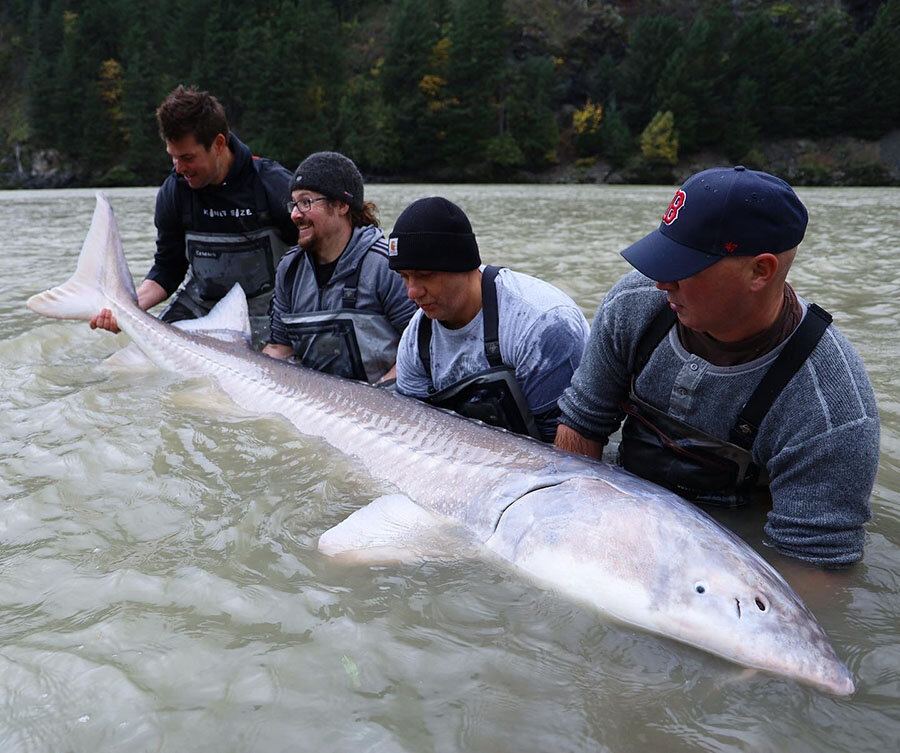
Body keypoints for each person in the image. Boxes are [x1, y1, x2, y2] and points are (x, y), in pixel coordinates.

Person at [555, 166, 880, 568]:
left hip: (733, 557)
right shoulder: (632, 304)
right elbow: (582, 427)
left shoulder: (831, 409)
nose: (660, 282)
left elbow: (812, 568)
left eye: (684, 266)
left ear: (760, 271)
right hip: (625, 517)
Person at [90, 85, 297, 346]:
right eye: (173, 157)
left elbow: (319, 260)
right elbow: (168, 269)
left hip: (267, 311)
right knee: (139, 365)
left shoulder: (273, 184)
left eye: (187, 157)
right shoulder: (174, 191)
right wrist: (127, 309)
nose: (179, 169)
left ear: (219, 144)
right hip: (200, 306)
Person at [388, 196, 590, 442]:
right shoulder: (416, 339)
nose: (412, 292)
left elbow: (567, 450)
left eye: (424, 275)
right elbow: (415, 435)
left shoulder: (542, 324)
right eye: (404, 277)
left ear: (463, 265)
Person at [262, 152, 416, 383]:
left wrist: (380, 395)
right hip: (316, 402)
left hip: (381, 403)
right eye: (293, 204)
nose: (295, 214)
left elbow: (422, 348)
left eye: (306, 202)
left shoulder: (386, 266)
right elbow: (279, 349)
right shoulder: (289, 268)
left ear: (342, 204)